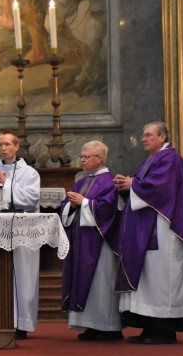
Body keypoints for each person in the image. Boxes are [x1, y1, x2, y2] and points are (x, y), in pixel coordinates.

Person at [113, 122, 183, 345]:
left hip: (168, 230)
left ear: (162, 137)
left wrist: (133, 184)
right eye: (143, 135)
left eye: (148, 135)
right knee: (150, 279)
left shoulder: (171, 159)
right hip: (150, 229)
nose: (143, 139)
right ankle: (150, 327)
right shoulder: (151, 160)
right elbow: (144, 186)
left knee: (163, 278)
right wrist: (126, 186)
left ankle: (165, 330)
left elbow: (159, 188)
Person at [60, 140, 122, 341]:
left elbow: (108, 210)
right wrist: (70, 205)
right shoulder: (82, 181)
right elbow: (66, 206)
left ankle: (109, 328)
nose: (83, 160)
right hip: (82, 241)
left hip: (101, 243)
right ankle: (91, 325)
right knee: (86, 282)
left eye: (87, 157)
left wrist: (84, 202)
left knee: (101, 284)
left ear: (100, 158)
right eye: (82, 156)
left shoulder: (109, 182)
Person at [0, 129, 40, 339]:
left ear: (16, 146)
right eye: (0, 144)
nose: (3, 148)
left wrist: (6, 184)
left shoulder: (30, 173)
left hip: (23, 232)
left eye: (7, 144)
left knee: (22, 276)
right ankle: (0, 320)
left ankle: (21, 323)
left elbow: (30, 200)